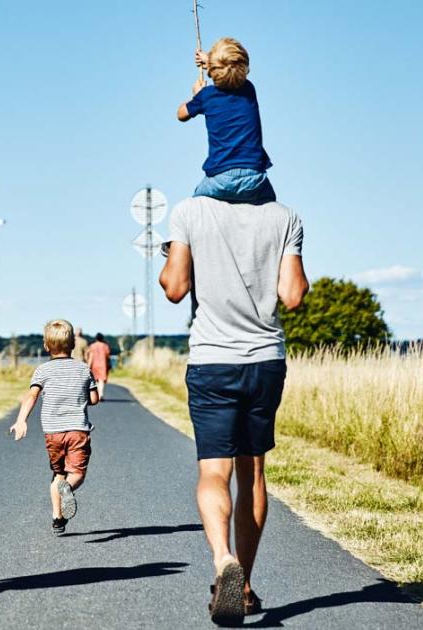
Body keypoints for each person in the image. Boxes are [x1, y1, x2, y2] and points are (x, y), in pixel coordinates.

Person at [159, 195, 308, 626]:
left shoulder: (190, 212)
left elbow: (174, 288)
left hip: (212, 363)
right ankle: (242, 587)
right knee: (253, 472)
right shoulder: (285, 218)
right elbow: (293, 295)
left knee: (213, 472)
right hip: (263, 362)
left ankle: (224, 560)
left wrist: (171, 259)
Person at [10, 319, 99, 535]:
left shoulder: (42, 371)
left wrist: (21, 419)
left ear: (46, 346)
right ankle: (68, 489)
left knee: (58, 474)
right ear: (73, 345)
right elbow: (94, 399)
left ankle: (57, 518)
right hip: (78, 429)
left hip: (53, 432)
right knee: (76, 473)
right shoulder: (83, 369)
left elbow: (32, 395)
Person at [177, 37, 275, 205]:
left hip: (220, 179)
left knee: (195, 206)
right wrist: (210, 60)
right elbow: (230, 68)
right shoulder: (249, 90)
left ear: (213, 70)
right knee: (271, 202)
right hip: (255, 178)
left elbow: (181, 114)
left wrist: (196, 96)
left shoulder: (206, 96)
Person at [88, 333, 111, 400]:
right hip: (103, 364)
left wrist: (88, 365)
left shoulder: (92, 346)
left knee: (96, 380)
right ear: (102, 338)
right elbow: (108, 355)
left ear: (96, 338)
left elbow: (90, 356)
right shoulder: (105, 346)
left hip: (94, 365)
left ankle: (98, 394)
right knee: (101, 380)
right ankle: (101, 394)